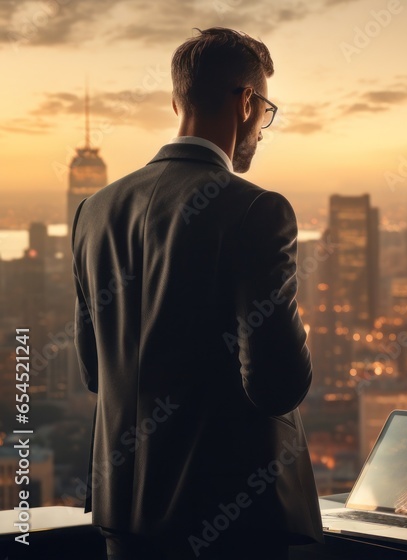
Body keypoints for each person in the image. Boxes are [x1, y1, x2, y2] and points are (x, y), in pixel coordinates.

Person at [71, 27, 322, 559]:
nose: (262, 128)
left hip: (122, 521)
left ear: (177, 100)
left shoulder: (94, 210)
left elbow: (96, 371)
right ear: (248, 102)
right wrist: (300, 333)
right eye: (266, 112)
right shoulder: (257, 210)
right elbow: (278, 387)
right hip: (230, 521)